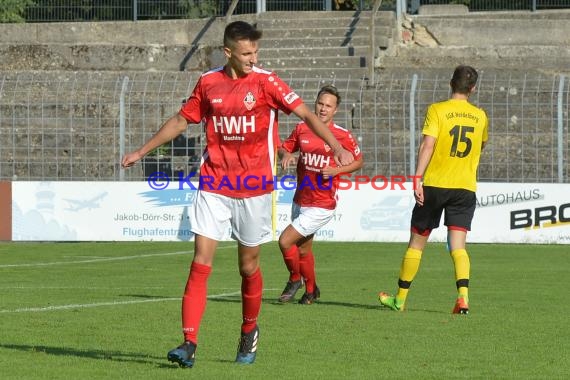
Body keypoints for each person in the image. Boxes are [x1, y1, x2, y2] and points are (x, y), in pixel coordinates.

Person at [121, 21, 354, 368]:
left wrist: (335, 146)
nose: (252, 58)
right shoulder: (208, 82)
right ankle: (189, 342)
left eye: (255, 52)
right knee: (201, 261)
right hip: (214, 184)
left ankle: (249, 330)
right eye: (246, 53)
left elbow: (305, 113)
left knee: (248, 267)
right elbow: (182, 121)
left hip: (254, 190)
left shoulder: (266, 82)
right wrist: (141, 151)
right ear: (228, 52)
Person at [378, 65, 488, 315]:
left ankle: (400, 299)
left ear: (451, 83)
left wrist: (417, 178)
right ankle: (463, 298)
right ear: (473, 88)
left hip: (435, 184)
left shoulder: (438, 110)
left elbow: (428, 145)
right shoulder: (480, 116)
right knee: (458, 246)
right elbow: (481, 146)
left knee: (417, 243)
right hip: (464, 187)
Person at [277, 85, 363, 304]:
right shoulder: (301, 128)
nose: (323, 109)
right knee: (304, 250)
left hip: (322, 204)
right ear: (315, 104)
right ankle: (311, 291)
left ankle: (295, 278)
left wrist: (337, 170)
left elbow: (358, 161)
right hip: (301, 199)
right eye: (320, 104)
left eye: (328, 106)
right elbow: (283, 147)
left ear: (335, 110)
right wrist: (286, 155)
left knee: (285, 241)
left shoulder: (342, 135)